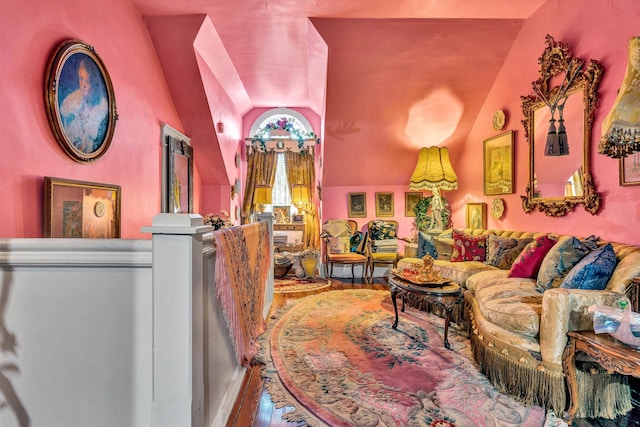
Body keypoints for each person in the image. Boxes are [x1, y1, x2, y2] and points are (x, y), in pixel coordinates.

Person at [60, 58, 108, 154]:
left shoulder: (101, 106)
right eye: (81, 79)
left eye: (88, 81)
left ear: (94, 82)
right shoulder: (73, 99)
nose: (83, 85)